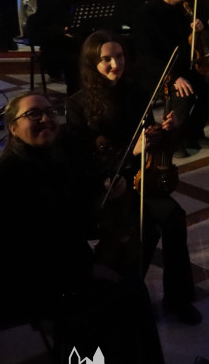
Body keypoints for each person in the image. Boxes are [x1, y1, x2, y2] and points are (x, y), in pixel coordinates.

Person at [0, 91, 172, 364]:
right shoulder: (8, 176)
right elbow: (29, 248)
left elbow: (68, 217)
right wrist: (87, 269)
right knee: (126, 291)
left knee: (127, 280)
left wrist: (106, 192)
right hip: (24, 280)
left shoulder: (49, 158)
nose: (46, 119)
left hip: (53, 266)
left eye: (50, 112)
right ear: (13, 128)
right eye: (33, 114)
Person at [65, 30, 201, 324]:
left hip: (140, 179)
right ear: (92, 63)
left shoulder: (136, 93)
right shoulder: (77, 105)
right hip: (108, 186)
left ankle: (178, 298)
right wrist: (132, 151)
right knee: (144, 228)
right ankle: (124, 295)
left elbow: (148, 139)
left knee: (174, 216)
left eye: (119, 56)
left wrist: (164, 130)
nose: (115, 64)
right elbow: (83, 160)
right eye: (106, 59)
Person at [131, 0, 209, 154]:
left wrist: (195, 30)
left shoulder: (180, 8)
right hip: (157, 72)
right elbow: (146, 57)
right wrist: (173, 77)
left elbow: (185, 42)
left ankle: (193, 132)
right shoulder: (144, 15)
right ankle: (172, 139)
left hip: (181, 68)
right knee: (183, 93)